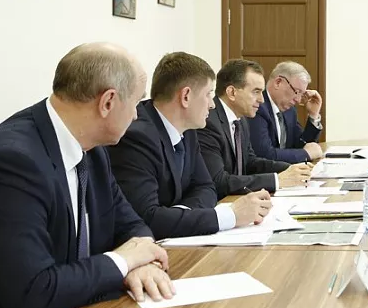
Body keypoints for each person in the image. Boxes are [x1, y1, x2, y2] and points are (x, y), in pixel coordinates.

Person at [0, 43, 174, 308]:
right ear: (108, 102)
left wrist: (141, 263)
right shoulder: (9, 163)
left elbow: (130, 223)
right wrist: (123, 262)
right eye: (136, 101)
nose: (137, 114)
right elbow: (32, 291)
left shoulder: (91, 147)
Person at [108, 53, 273, 241]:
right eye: (208, 94)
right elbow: (148, 218)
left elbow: (206, 187)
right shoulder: (137, 136)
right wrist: (231, 216)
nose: (212, 105)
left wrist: (180, 215)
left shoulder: (188, 130)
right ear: (185, 96)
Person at [198, 59, 312, 198]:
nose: (261, 100)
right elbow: (219, 181)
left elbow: (250, 162)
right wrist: (276, 180)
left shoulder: (241, 120)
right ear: (232, 92)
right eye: (256, 92)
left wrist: (291, 169)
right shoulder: (208, 123)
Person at [247, 61, 324, 163]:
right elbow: (265, 155)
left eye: (301, 94)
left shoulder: (289, 110)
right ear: (278, 82)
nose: (298, 100)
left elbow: (302, 145)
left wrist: (313, 115)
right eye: (296, 92)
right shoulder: (257, 107)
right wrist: (305, 154)